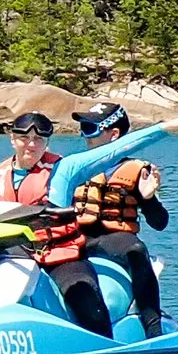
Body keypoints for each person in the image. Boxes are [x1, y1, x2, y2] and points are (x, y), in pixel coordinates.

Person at [0, 110, 109, 337]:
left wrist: (166, 127)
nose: (31, 145)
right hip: (16, 254)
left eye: (38, 139)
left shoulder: (63, 171)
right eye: (24, 138)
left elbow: (118, 149)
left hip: (59, 255)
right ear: (13, 140)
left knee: (83, 294)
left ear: (46, 144)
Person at [68, 100, 168, 339]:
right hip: (78, 237)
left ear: (113, 135)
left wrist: (149, 198)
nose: (85, 137)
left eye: (90, 130)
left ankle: (153, 327)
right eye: (82, 128)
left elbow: (160, 223)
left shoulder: (136, 171)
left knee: (135, 250)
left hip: (114, 238)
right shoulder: (72, 169)